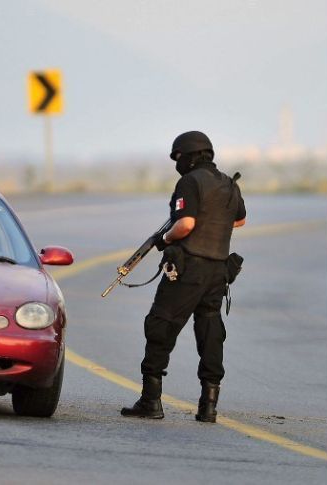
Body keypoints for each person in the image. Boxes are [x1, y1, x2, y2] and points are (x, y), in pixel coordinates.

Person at [121, 131, 246, 423]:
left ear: (189, 156)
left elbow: (186, 224)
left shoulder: (189, 182)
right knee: (210, 332)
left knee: (160, 325)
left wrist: (165, 238)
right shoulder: (228, 183)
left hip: (188, 267)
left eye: (178, 157)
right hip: (218, 271)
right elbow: (239, 219)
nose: (177, 163)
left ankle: (150, 401)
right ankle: (209, 406)